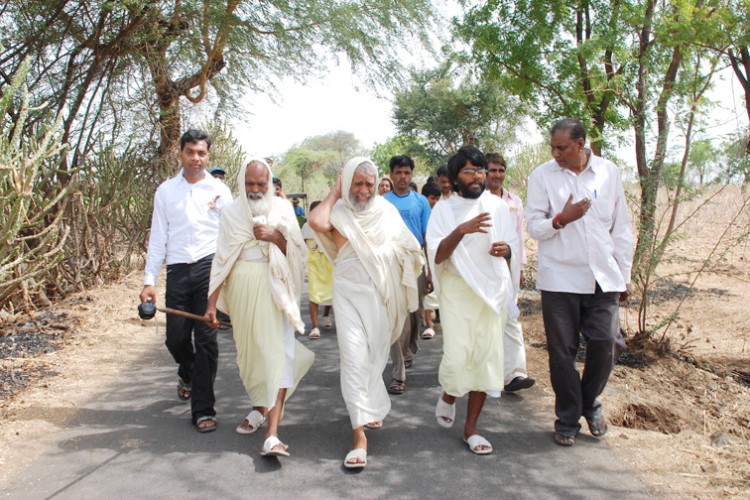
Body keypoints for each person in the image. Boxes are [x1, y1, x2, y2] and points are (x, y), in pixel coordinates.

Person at [308, 157, 422, 469]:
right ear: (346, 183)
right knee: (354, 359)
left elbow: (409, 247)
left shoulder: (386, 210)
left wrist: (387, 255)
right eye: (356, 183)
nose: (363, 190)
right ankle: (359, 434)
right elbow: (316, 222)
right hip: (347, 297)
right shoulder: (338, 211)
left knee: (375, 360)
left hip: (382, 297)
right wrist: (334, 192)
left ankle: (369, 407)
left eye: (369, 184)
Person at [526, 118, 634, 447]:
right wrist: (561, 219)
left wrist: (624, 275)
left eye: (563, 148)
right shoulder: (542, 176)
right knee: (562, 353)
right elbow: (534, 226)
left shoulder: (607, 172)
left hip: (603, 276)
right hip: (560, 278)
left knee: (607, 343)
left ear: (581, 144)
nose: (556, 153)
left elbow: (621, 226)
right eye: (553, 148)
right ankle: (569, 417)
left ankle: (589, 402)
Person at [205, 159, 314, 457]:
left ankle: (272, 434)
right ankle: (258, 408)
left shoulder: (282, 210)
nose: (255, 189)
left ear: (269, 183)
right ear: (242, 182)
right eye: (250, 184)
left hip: (275, 288)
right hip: (242, 291)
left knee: (277, 354)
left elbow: (298, 253)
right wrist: (211, 304)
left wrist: (276, 237)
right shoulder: (230, 214)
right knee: (251, 356)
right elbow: (222, 259)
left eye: (261, 184)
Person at [426, 145, 520, 455]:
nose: (478, 176)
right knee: (458, 354)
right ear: (455, 178)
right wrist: (462, 230)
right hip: (457, 290)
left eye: (480, 170)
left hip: (490, 291)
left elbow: (512, 249)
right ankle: (451, 394)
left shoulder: (497, 206)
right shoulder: (443, 209)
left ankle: (471, 429)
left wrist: (506, 251)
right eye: (470, 171)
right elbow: (437, 254)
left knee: (485, 358)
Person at [139, 129, 233, 433]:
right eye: (190, 152)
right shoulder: (166, 191)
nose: (196, 158)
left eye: (201, 153)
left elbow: (230, 237)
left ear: (208, 156)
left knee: (206, 340)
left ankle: (203, 409)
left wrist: (228, 281)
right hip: (178, 270)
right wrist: (149, 280)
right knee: (175, 339)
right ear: (180, 154)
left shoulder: (219, 190)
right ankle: (189, 372)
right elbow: (158, 238)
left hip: (210, 269)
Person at [486, 152, 536, 393]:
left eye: (501, 170)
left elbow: (518, 237)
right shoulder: (477, 201)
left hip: (509, 266)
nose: (497, 175)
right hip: (483, 269)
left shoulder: (514, 201)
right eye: (492, 170)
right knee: (485, 320)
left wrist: (520, 266)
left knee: (511, 318)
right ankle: (482, 372)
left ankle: (515, 374)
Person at [383, 155, 433, 395]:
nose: (403, 177)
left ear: (411, 175)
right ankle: (398, 374)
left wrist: (430, 271)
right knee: (397, 317)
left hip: (416, 265)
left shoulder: (420, 202)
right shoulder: (382, 202)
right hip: (391, 265)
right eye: (398, 173)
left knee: (415, 315)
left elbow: (428, 238)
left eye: (407, 173)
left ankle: (407, 349)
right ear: (391, 175)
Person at [301, 200, 333, 339]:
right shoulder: (306, 226)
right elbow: (301, 243)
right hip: (313, 263)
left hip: (329, 263)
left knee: (331, 292)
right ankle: (314, 327)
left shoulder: (329, 224)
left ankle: (326, 315)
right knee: (314, 294)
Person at [420, 181, 442, 339]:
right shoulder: (422, 211)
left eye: (437, 198)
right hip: (423, 254)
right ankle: (428, 324)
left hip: (438, 255)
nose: (434, 202)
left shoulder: (441, 213)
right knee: (427, 292)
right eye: (432, 198)